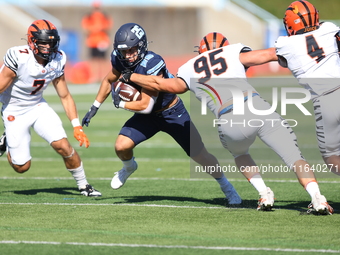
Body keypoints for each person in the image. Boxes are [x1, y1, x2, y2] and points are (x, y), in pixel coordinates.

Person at [123, 32, 333, 214]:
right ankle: (317, 197)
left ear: (201, 51)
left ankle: (264, 193)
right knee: (293, 156)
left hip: (228, 119)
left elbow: (164, 84)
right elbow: (270, 54)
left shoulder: (189, 68)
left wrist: (131, 76)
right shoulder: (233, 52)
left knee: (240, 154)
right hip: (257, 107)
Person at [82, 23, 242, 205]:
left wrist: (122, 103)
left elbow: (146, 105)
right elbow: (109, 79)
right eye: (124, 51)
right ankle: (129, 167)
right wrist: (95, 106)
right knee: (121, 146)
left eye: (131, 50)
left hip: (172, 112)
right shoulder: (119, 58)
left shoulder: (152, 62)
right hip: (148, 118)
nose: (127, 55)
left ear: (141, 46)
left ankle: (227, 187)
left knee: (200, 155)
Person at [0, 19, 101, 197]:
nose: (48, 47)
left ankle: (84, 185)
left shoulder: (58, 58)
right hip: (14, 109)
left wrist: (76, 125)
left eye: (51, 42)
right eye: (44, 42)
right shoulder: (19, 56)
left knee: (63, 146)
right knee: (21, 167)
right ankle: (6, 141)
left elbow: (65, 95)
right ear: (32, 41)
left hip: (38, 106)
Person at [275, 1, 340, 179]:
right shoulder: (329, 28)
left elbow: (278, 58)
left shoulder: (285, 44)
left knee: (332, 158)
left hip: (326, 101)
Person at [81, 0, 113, 83]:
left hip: (102, 41)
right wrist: (94, 28)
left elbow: (108, 26)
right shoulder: (89, 16)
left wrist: (100, 28)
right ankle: (93, 77)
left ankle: (103, 76)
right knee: (93, 60)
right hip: (92, 41)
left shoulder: (104, 16)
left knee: (103, 60)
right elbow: (85, 28)